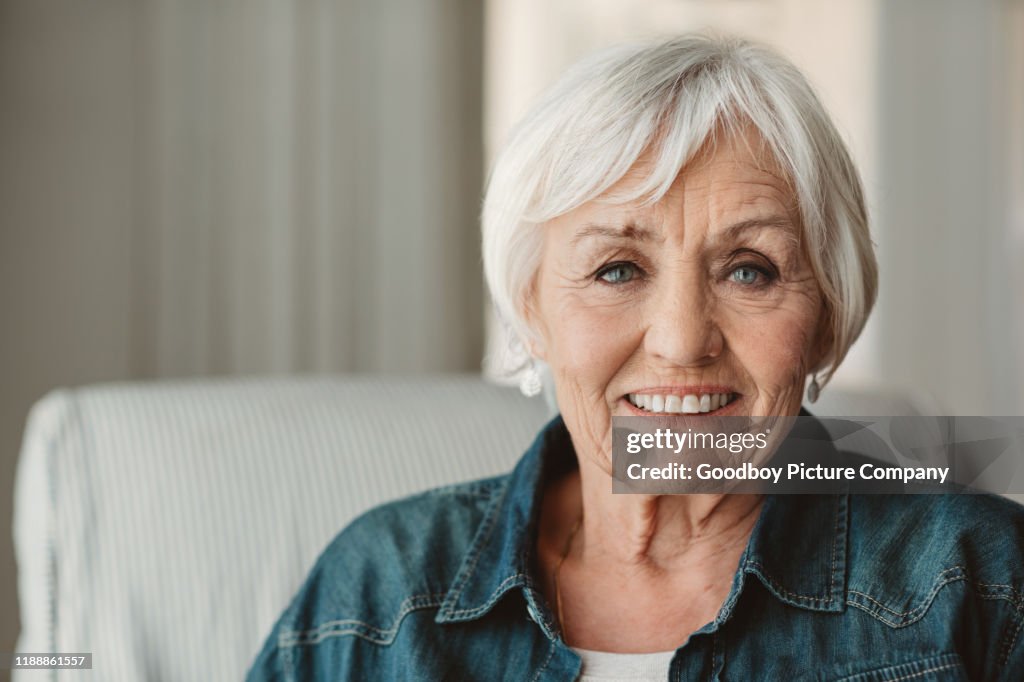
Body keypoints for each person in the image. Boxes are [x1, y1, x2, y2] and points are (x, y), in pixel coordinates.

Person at [247, 35, 1024, 680]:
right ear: (532, 311)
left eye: (749, 269)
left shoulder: (978, 579)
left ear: (825, 316)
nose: (683, 340)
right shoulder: (380, 593)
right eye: (618, 269)